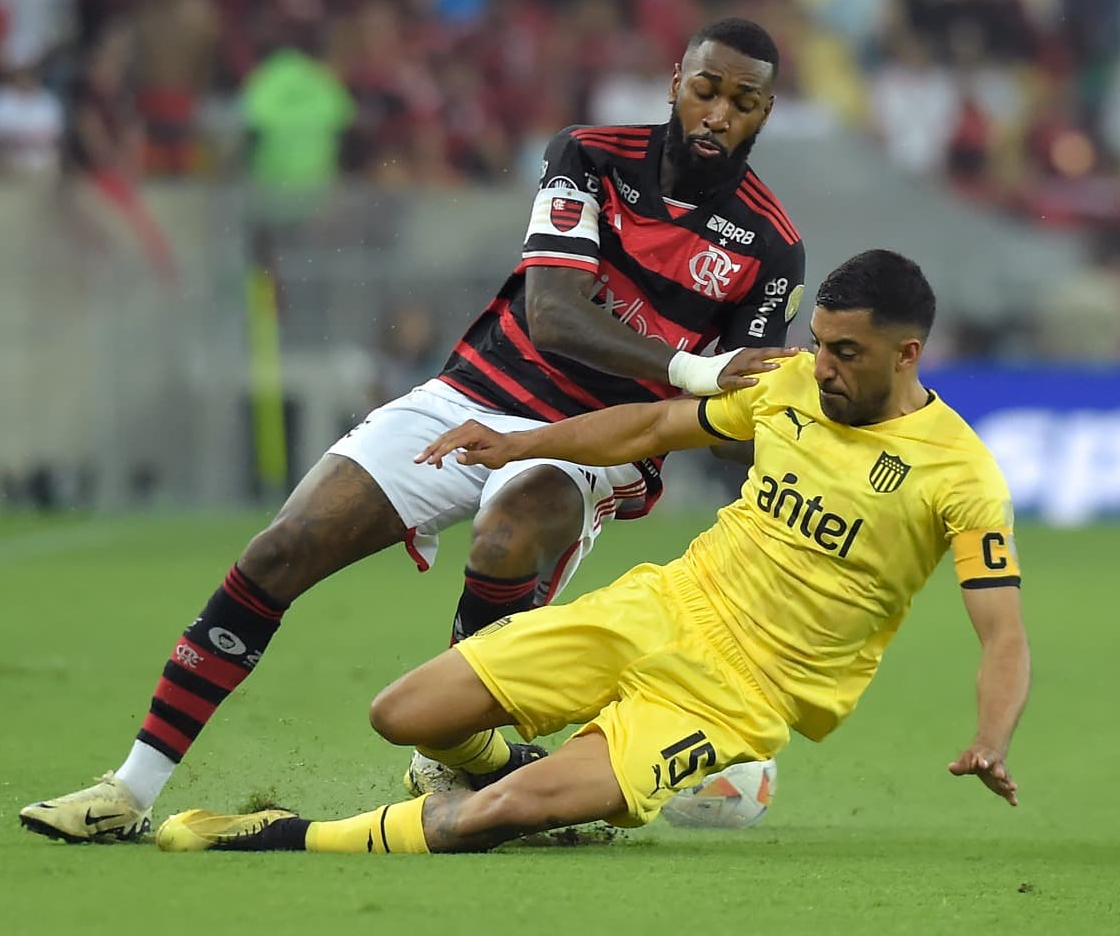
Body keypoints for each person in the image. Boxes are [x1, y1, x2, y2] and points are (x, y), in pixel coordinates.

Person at [20, 17, 809, 842]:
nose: (718, 113)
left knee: (508, 535)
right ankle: (128, 792)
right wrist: (690, 369)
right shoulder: (589, 153)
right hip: (475, 392)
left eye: (743, 102)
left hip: (597, 437)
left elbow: (737, 415)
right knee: (279, 550)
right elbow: (553, 317)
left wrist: (767, 420)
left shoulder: (770, 245)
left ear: (766, 112)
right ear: (675, 82)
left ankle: (452, 745)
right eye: (707, 89)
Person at [153, 249, 1032, 854]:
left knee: (492, 817)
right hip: (662, 605)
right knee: (404, 714)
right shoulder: (790, 387)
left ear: (907, 353)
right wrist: (520, 443)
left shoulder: (960, 476)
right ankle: (533, 762)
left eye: (847, 353)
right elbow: (653, 422)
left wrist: (991, 737)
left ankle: (285, 834)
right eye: (819, 344)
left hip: (738, 694)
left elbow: (1002, 635)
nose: (823, 366)